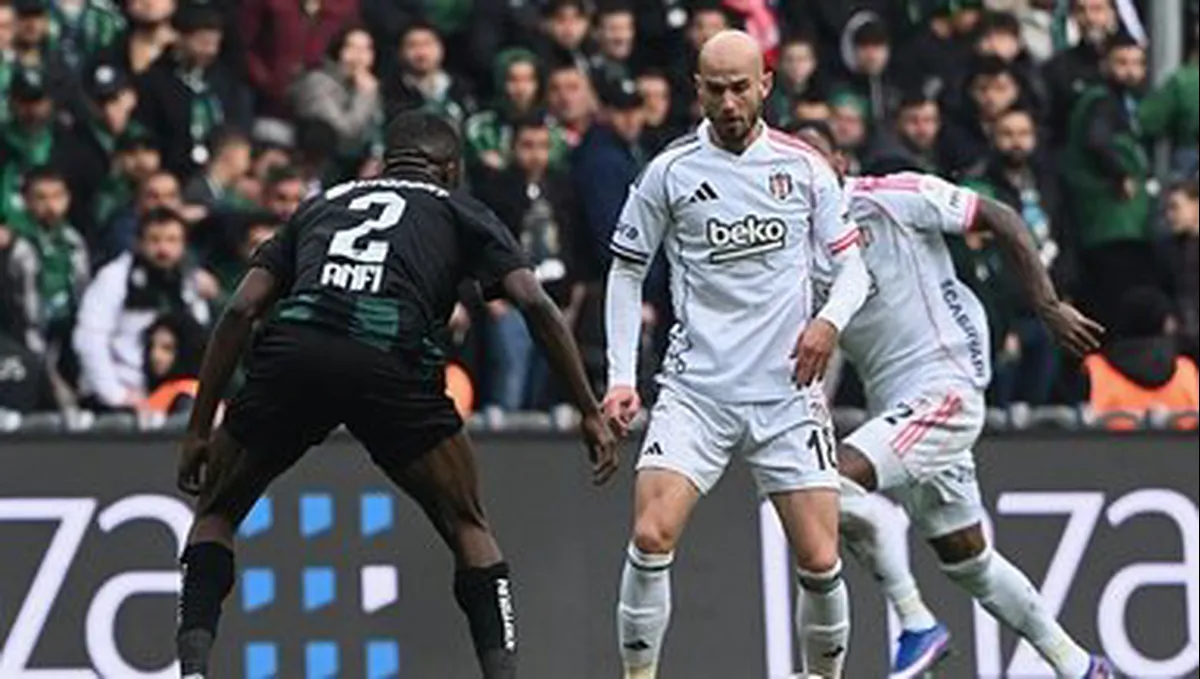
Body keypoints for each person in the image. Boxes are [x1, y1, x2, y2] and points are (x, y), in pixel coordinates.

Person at [172, 110, 617, 679]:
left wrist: (198, 430)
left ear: (386, 163)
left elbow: (239, 309)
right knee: (468, 524)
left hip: (296, 351)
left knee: (216, 513)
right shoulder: (459, 208)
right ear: (450, 169)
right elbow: (535, 303)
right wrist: (587, 410)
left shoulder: (322, 202)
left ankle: (193, 669)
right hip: (389, 356)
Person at [793, 123, 1114, 679]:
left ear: (841, 163)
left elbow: (1001, 216)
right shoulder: (797, 251)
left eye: (815, 160)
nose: (806, 176)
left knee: (823, 485)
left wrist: (1047, 305)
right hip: (897, 410)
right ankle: (1080, 666)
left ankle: (917, 623)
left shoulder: (893, 197)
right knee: (969, 562)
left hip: (943, 386)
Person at [603, 31, 871, 679]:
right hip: (697, 391)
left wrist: (828, 322)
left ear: (765, 86)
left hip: (786, 392)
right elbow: (626, 270)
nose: (728, 103)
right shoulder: (670, 171)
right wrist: (620, 377)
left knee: (820, 557)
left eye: (740, 88)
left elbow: (854, 270)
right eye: (716, 89)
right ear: (697, 89)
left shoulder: (804, 167)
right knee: (650, 534)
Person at [961, 106, 1064, 406]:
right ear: (992, 137)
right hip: (1006, 309)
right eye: (1007, 134)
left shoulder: (1047, 181)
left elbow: (1065, 235)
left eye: (1023, 134)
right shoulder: (981, 184)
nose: (1016, 142)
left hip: (1047, 308)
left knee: (1040, 401)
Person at [74, 207, 212, 410]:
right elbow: (89, 338)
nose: (163, 249)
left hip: (169, 395)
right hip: (119, 397)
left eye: (172, 240)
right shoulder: (114, 277)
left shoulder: (188, 280)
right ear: (138, 243)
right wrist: (115, 394)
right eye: (154, 240)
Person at [1064, 32, 1153, 328]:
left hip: (1114, 223)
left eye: (1136, 63)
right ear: (1105, 63)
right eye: (1122, 62)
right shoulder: (1102, 101)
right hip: (1110, 222)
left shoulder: (1124, 102)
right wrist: (1121, 174)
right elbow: (1097, 140)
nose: (1130, 71)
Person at [134, 4, 252, 181]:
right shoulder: (154, 82)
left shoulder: (225, 81)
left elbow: (237, 126)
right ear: (180, 38)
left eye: (214, 44)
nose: (209, 51)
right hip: (172, 173)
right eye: (203, 43)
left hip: (218, 176)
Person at [1084, 287, 1199, 430]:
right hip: (1182, 444)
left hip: (1109, 443)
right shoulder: (1187, 369)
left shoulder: (1094, 368)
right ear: (1165, 325)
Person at [290, 25, 383, 167]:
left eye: (366, 49)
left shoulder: (367, 83)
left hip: (360, 162)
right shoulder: (317, 82)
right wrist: (365, 95)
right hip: (324, 162)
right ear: (338, 50)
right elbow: (344, 133)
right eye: (352, 47)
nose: (359, 56)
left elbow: (376, 131)